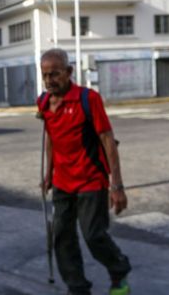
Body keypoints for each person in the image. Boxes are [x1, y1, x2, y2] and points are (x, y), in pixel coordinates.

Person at [38, 49, 131, 295]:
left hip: (91, 180)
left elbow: (108, 140)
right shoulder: (44, 102)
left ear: (69, 72)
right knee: (62, 237)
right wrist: (49, 173)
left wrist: (117, 186)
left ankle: (118, 271)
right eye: (45, 75)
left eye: (55, 74)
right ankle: (77, 288)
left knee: (93, 235)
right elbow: (51, 139)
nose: (49, 81)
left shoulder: (88, 99)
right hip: (62, 183)